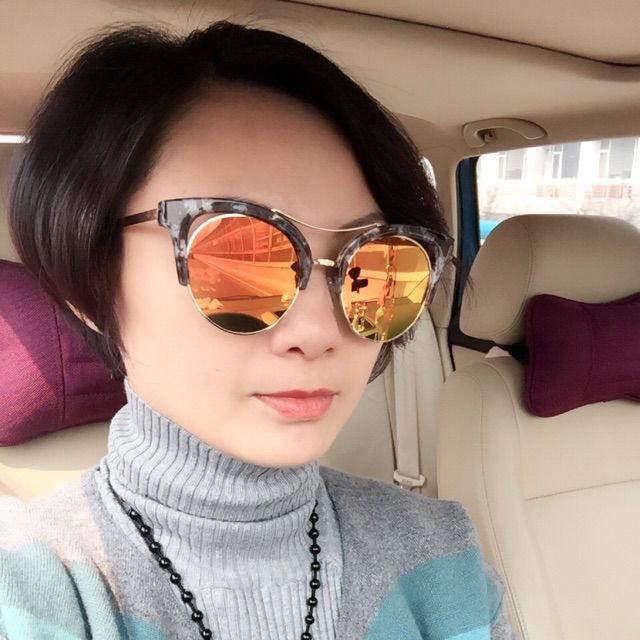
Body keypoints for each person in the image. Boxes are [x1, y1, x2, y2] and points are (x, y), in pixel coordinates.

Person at [0, 21, 515, 640]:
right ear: (88, 282)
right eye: (239, 258)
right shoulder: (31, 587)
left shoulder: (444, 562)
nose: (320, 330)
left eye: (376, 264)